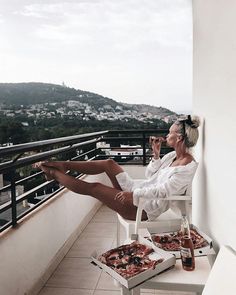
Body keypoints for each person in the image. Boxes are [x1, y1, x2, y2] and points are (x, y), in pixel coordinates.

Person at [35, 115, 200, 221]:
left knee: (96, 188)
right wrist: (156, 155)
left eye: (170, 132)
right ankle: (63, 165)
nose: (166, 135)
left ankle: (53, 173)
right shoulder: (171, 156)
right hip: (137, 190)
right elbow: (150, 174)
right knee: (109, 163)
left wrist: (133, 195)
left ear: (178, 138)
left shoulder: (187, 166)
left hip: (143, 208)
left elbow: (163, 192)